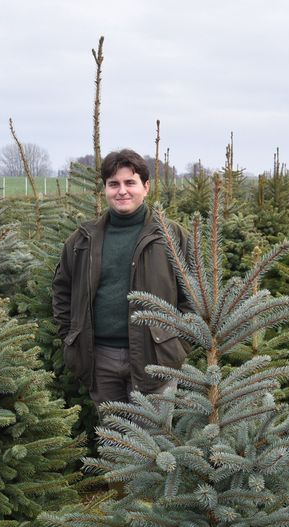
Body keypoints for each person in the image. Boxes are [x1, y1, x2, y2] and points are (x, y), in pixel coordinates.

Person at [52, 149, 190, 409]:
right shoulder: (82, 239)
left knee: (154, 444)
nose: (122, 191)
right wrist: (72, 336)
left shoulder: (171, 236)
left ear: (146, 187)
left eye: (130, 183)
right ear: (105, 189)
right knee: (114, 444)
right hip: (100, 359)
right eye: (114, 184)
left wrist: (177, 344)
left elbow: (193, 295)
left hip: (156, 357)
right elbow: (62, 291)